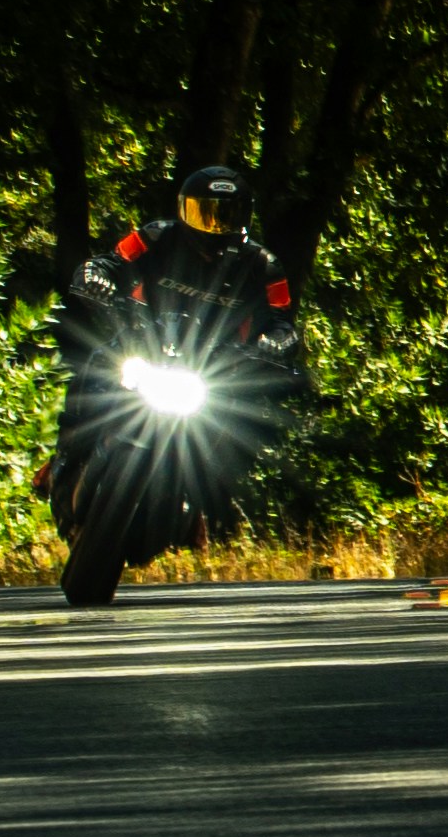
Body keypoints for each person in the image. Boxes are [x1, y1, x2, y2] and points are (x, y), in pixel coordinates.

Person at [46, 164, 304, 601]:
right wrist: (94, 277)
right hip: (143, 346)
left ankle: (199, 504)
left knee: (232, 424)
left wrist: (276, 345)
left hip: (209, 367)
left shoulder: (264, 265)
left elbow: (283, 321)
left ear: (245, 216)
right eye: (206, 213)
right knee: (95, 364)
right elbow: (111, 260)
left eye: (226, 214)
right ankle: (66, 455)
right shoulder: (154, 236)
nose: (215, 225)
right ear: (184, 210)